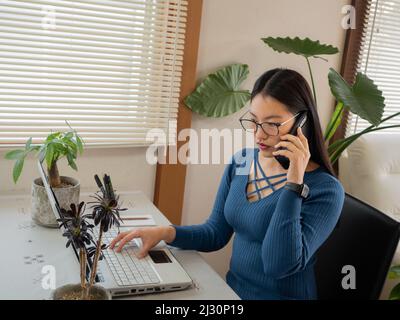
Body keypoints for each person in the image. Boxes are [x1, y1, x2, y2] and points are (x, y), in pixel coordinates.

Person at [110, 68, 345, 300]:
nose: (258, 135)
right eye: (253, 121)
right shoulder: (242, 161)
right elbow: (216, 232)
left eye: (272, 124)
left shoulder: (326, 190)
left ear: (301, 123)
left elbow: (277, 265)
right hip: (232, 294)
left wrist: (294, 183)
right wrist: (165, 233)